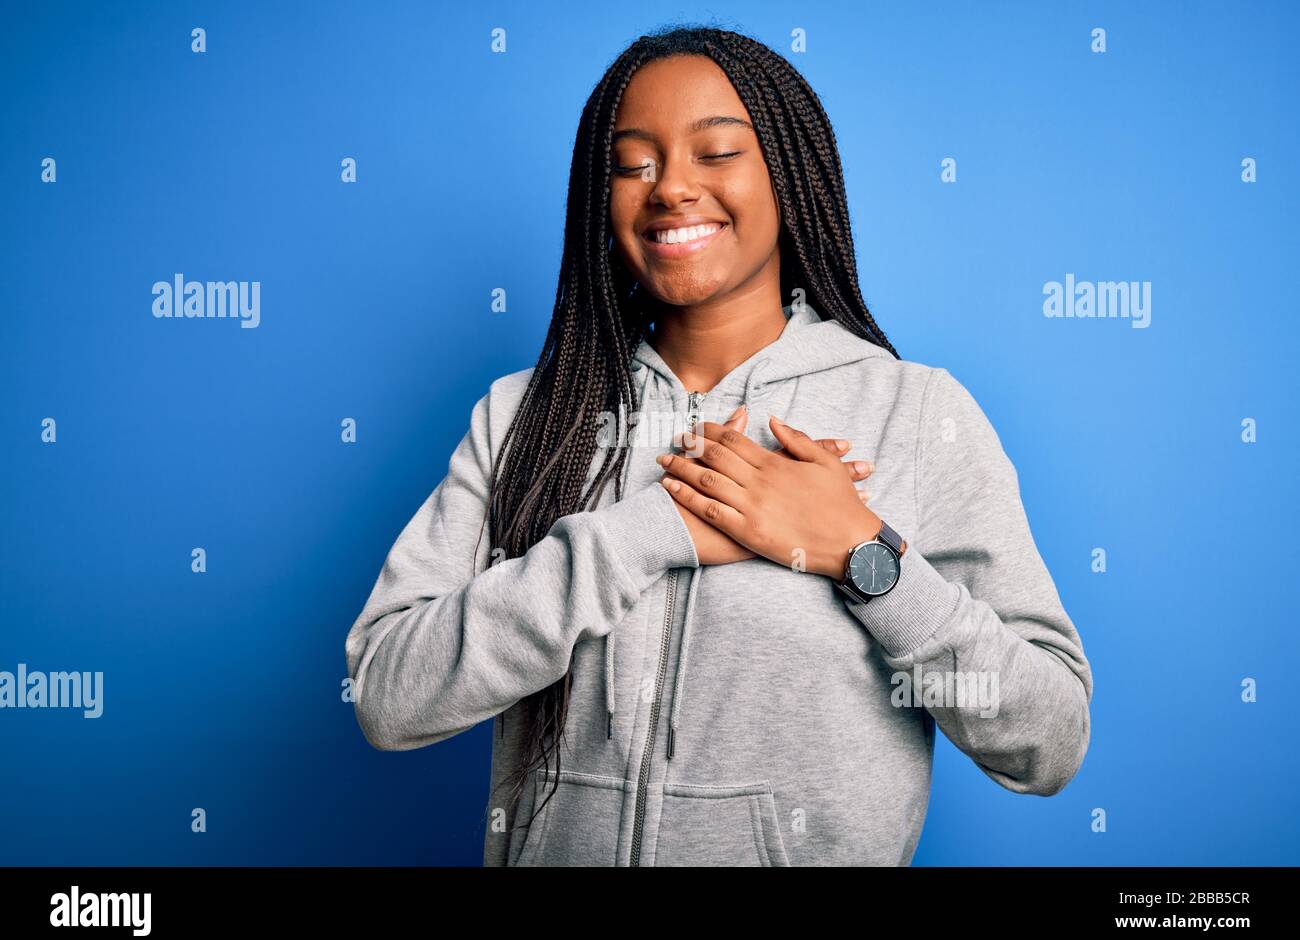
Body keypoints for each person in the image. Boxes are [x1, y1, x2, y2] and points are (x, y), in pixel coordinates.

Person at [344, 25, 1093, 866]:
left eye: (717, 153)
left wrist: (861, 553)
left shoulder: (914, 413)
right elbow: (385, 694)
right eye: (633, 164)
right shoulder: (526, 415)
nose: (670, 189)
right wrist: (645, 534)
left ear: (789, 176)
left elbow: (1049, 738)